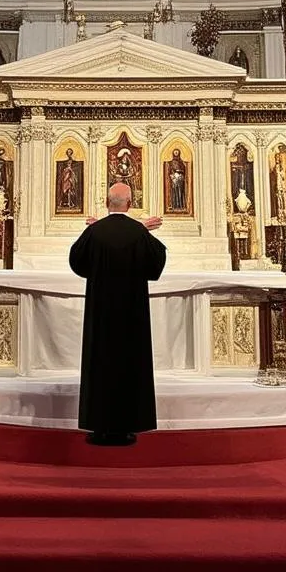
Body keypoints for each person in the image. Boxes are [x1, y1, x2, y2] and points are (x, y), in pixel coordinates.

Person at [69, 183, 166, 446]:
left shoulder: (95, 231)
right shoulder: (138, 231)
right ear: (130, 203)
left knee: (99, 363)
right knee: (129, 363)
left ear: (106, 201)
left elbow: (76, 261)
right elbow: (156, 263)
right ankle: (127, 427)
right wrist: (140, 231)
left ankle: (99, 427)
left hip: (100, 311)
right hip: (132, 313)